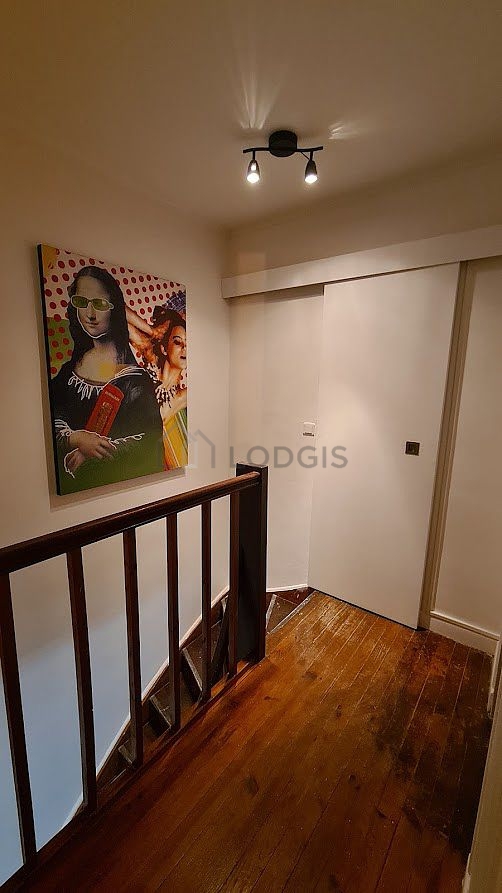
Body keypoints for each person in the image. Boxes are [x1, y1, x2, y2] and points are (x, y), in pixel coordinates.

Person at [51, 266, 164, 493]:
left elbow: (149, 440)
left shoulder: (134, 381)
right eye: (82, 302)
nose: (90, 314)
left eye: (100, 304)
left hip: (121, 495)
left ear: (115, 310)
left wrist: (95, 448)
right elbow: (53, 419)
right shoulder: (68, 372)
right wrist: (75, 438)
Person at [127, 305, 188, 468]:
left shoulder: (182, 397)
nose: (184, 349)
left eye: (189, 344)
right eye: (177, 342)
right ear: (164, 348)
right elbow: (114, 310)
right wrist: (152, 331)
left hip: (137, 461)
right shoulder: (151, 362)